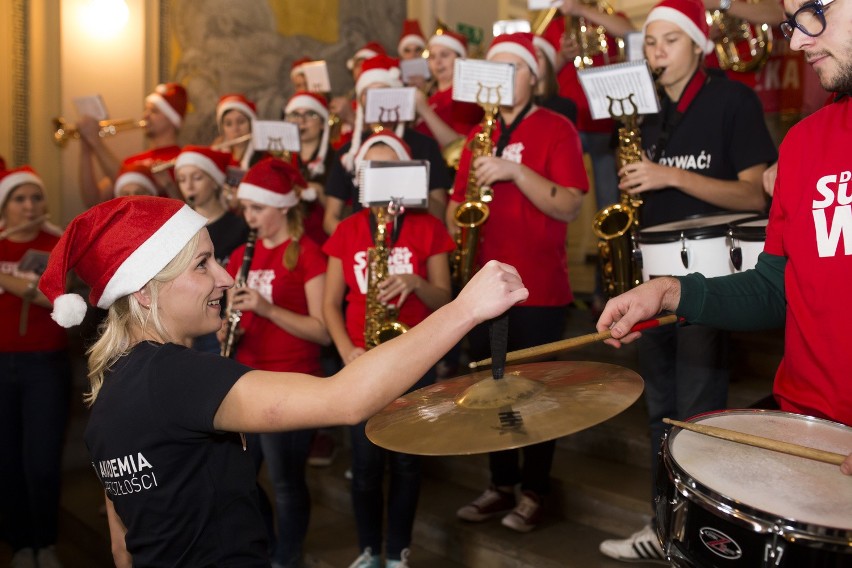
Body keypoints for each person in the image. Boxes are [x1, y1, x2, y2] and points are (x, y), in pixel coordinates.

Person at [36, 194, 526, 568]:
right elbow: (347, 398)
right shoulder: (175, 376)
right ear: (144, 292)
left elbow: (124, 548)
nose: (226, 278)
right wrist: (464, 309)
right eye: (202, 264)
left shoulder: (109, 387)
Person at [603, 0, 852, 469]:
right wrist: (668, 291)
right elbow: (775, 286)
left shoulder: (730, 101)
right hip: (806, 429)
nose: (797, 41)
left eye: (814, 11)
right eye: (792, 23)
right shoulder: (802, 142)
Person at [595, 0, 777, 562]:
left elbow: (755, 192)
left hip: (709, 273)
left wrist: (668, 174)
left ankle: (704, 532)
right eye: (651, 42)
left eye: (670, 41)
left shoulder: (732, 99)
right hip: (651, 271)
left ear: (699, 44)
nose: (657, 52)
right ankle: (662, 522)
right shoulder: (641, 111)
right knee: (660, 408)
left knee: (699, 409)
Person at [449, 32, 588, 533]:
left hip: (539, 286)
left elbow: (570, 202)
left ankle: (534, 489)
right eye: (495, 67)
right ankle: (499, 483)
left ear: (535, 76)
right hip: (482, 287)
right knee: (489, 388)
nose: (503, 77)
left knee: (534, 393)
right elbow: (454, 210)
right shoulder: (475, 136)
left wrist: (513, 170)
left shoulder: (556, 127)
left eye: (513, 67)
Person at [321, 132, 455, 568]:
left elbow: (447, 302)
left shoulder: (428, 227)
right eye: (372, 172)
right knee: (364, 467)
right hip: (363, 361)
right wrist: (346, 350)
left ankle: (398, 551)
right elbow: (328, 303)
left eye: (391, 170)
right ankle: (367, 550)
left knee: (407, 466)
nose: (381, 181)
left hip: (414, 361)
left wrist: (416, 283)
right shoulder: (347, 229)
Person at [223, 157, 329, 568]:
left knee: (286, 481)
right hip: (247, 378)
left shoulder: (307, 254)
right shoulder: (238, 256)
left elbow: (321, 330)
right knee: (241, 480)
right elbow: (231, 315)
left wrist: (267, 310)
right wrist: (226, 330)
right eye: (246, 209)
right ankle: (265, 546)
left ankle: (288, 556)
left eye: (257, 208)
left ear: (283, 206)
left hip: (292, 381)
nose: (249, 218)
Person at [0, 167, 70, 568]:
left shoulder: (57, 243)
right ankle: (20, 543)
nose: (30, 206)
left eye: (36, 198)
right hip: (0, 365)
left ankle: (46, 542)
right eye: (20, 199)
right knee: (6, 459)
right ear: (5, 206)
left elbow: (59, 302)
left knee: (42, 460)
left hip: (44, 365)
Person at [324, 55, 451, 234]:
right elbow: (330, 218)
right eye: (368, 94)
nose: (377, 99)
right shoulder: (347, 152)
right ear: (360, 101)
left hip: (413, 247)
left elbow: (440, 214)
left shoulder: (425, 146)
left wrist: (410, 188)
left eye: (384, 91)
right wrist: (354, 243)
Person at [174, 144, 249, 354]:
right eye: (181, 179)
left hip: (223, 324)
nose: (188, 186)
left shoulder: (239, 226)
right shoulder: (179, 230)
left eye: (197, 178)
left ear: (215, 182)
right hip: (190, 323)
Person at [78, 82, 187, 207]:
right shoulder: (131, 161)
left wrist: (96, 142)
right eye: (146, 110)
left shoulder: (180, 160)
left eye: (154, 111)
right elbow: (94, 200)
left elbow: (123, 179)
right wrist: (85, 149)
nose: (145, 115)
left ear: (172, 118)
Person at [413, 29, 484, 150]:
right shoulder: (432, 97)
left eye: (444, 55)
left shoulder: (466, 97)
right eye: (432, 57)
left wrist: (424, 110)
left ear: (460, 59)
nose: (437, 62)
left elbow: (460, 147)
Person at [284, 91, 334, 246]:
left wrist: (319, 192)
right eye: (295, 115)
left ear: (322, 123)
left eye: (310, 114)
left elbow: (345, 214)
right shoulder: (282, 158)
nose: (301, 121)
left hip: (323, 241)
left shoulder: (336, 159)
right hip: (288, 239)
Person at [397, 19, 428, 90]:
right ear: (402, 55)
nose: (413, 55)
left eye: (417, 50)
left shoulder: (435, 79)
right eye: (407, 51)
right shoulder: (395, 80)